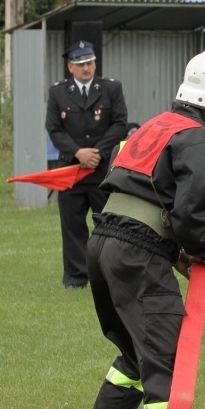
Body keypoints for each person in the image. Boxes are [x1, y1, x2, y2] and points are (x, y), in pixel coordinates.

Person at [63, 45, 205, 409]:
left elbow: (135, 189)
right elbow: (189, 213)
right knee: (165, 357)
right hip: (135, 251)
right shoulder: (200, 139)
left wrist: (175, 250)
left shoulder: (155, 124)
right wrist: (203, 249)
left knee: (133, 355)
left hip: (103, 241)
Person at [45, 40, 128, 289]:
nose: (87, 68)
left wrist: (98, 152)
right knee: (72, 226)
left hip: (102, 171)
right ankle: (76, 278)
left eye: (90, 63)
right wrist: (78, 152)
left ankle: (109, 275)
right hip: (71, 171)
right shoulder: (58, 92)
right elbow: (54, 129)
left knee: (107, 225)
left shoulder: (111, 88)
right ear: (70, 67)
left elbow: (120, 123)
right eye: (81, 64)